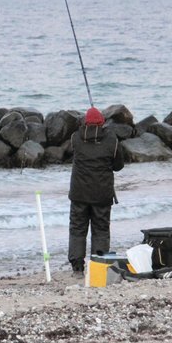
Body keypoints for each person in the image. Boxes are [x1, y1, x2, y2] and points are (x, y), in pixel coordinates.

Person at [67, 106, 124, 277]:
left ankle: (77, 268)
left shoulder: (75, 138)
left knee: (77, 229)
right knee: (101, 229)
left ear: (85, 122)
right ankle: (98, 266)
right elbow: (118, 166)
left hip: (79, 194)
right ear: (102, 123)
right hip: (102, 194)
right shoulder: (111, 140)